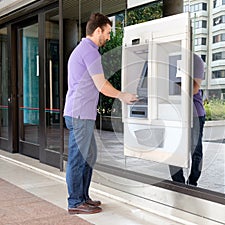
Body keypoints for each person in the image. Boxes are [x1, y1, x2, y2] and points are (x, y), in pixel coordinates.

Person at [63, 13, 138, 214]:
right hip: (80, 115)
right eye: (107, 32)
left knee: (89, 155)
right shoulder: (90, 51)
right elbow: (102, 85)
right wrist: (123, 95)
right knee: (78, 159)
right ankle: (75, 202)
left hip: (80, 113)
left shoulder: (84, 50)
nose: (108, 37)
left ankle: (83, 197)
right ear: (98, 30)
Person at [169, 53, 206, 186]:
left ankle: (192, 183)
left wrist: (172, 89)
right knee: (172, 148)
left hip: (195, 114)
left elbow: (195, 88)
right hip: (174, 113)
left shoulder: (196, 60)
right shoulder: (171, 59)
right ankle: (179, 183)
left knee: (196, 150)